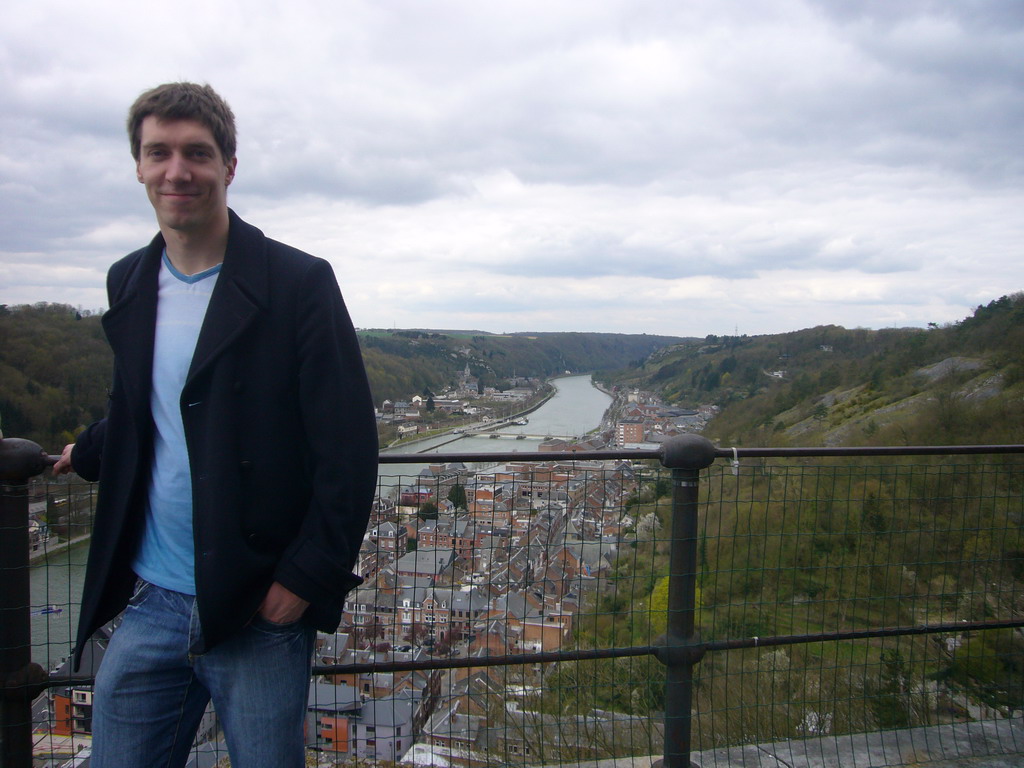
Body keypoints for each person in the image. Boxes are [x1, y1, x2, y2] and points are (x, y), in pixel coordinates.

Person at [53, 82, 378, 767]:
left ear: (229, 166)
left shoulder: (297, 283)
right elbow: (146, 405)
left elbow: (347, 449)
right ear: (138, 166)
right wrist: (86, 451)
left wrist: (302, 582)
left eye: (197, 153)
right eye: (159, 153)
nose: (178, 171)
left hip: (255, 602)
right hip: (153, 596)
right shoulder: (130, 280)